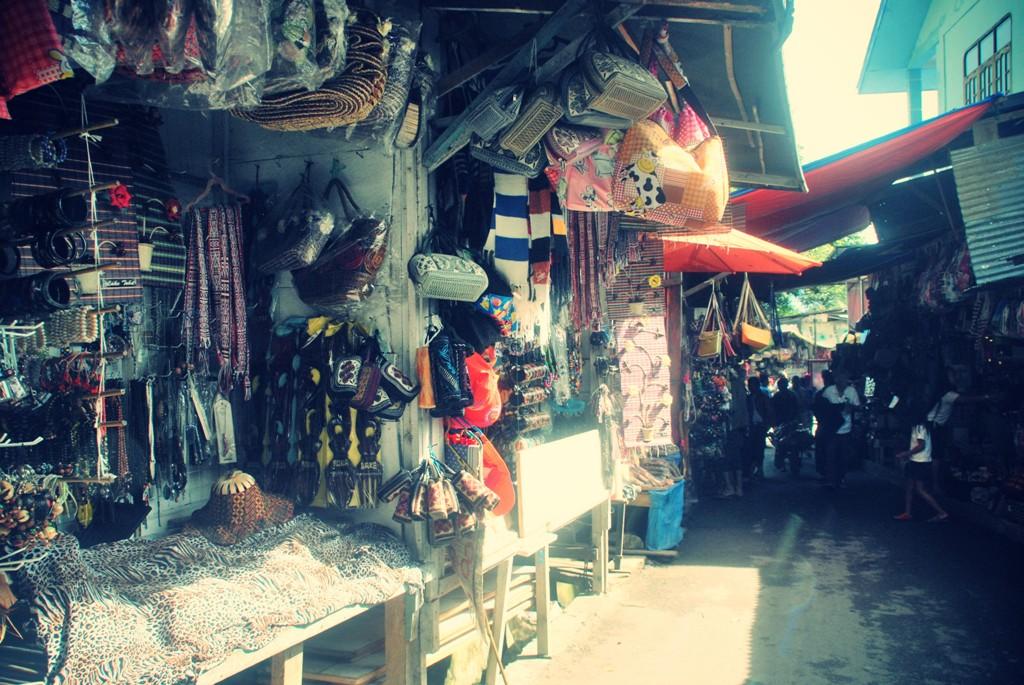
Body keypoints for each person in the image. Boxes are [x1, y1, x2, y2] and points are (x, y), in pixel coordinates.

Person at [894, 418, 949, 522]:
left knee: (920, 489)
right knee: (910, 487)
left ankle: (942, 512)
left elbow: (921, 446)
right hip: (917, 460)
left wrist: (905, 454)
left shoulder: (919, 427)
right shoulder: (922, 426)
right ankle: (907, 512)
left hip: (920, 461)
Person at [822, 370, 859, 488]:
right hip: (831, 429)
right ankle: (831, 479)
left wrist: (850, 408)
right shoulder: (829, 391)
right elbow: (822, 407)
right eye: (839, 378)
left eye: (844, 378)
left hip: (846, 429)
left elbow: (857, 407)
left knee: (843, 455)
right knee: (830, 455)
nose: (841, 380)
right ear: (836, 379)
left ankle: (841, 477)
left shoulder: (851, 391)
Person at [813, 371, 841, 478]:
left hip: (826, 425)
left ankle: (826, 472)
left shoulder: (821, 394)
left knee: (825, 450)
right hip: (832, 426)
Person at [771, 377, 800, 471]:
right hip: (787, 423)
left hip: (786, 423)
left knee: (781, 444)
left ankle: (782, 463)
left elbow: (773, 410)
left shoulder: (779, 396)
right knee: (782, 444)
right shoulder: (791, 395)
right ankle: (783, 463)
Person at [745, 376, 771, 479]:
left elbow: (769, 411)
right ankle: (753, 469)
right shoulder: (748, 398)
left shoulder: (763, 397)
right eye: (749, 385)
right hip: (752, 426)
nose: (750, 387)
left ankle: (759, 469)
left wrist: (766, 425)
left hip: (760, 426)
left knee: (759, 448)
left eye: (752, 385)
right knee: (751, 448)